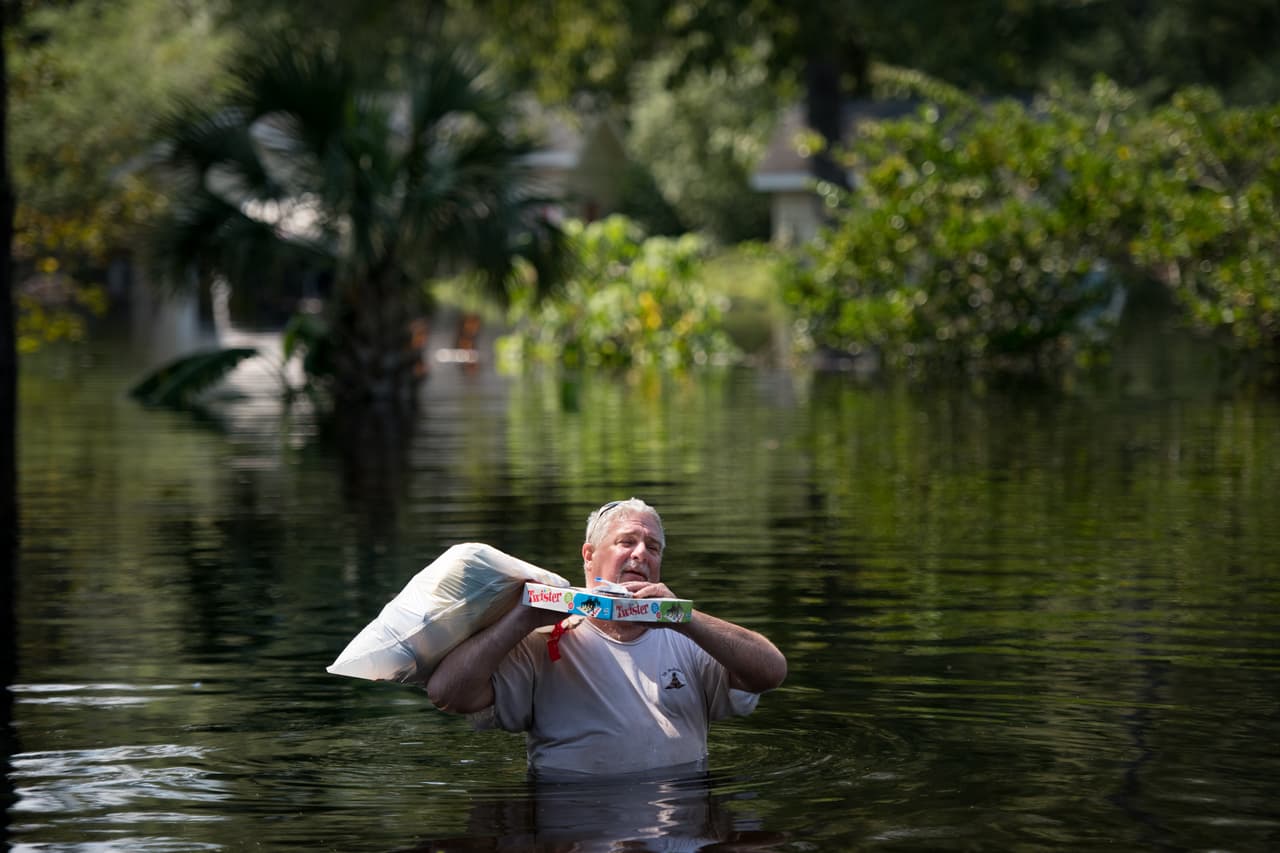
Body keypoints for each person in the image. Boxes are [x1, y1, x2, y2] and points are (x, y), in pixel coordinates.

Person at [427, 498, 787, 776]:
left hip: (681, 810)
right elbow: (447, 694)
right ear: (589, 555)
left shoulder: (689, 633)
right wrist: (521, 618)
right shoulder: (542, 640)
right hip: (572, 817)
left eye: (653, 547)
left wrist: (684, 617)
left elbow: (771, 672)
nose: (641, 554)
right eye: (626, 542)